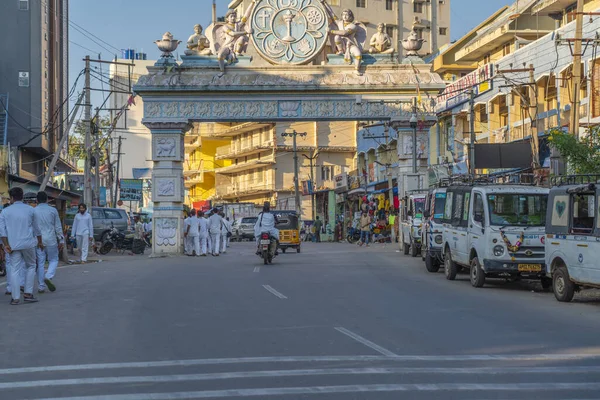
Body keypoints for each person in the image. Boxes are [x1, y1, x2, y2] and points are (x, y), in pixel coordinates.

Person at [0, 187, 43, 305]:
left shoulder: (5, 211)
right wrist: (40, 241)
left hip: (13, 244)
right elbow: (37, 229)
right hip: (28, 243)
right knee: (31, 266)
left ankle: (15, 298)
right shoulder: (30, 210)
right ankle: (28, 293)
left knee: (14, 269)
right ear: (22, 196)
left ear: (12, 198)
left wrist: (6, 245)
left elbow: (2, 231)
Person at [34, 191, 64, 293]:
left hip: (38, 240)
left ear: (37, 200)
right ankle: (48, 276)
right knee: (54, 259)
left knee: (40, 263)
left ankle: (41, 286)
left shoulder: (33, 211)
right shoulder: (53, 210)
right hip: (51, 239)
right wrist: (62, 240)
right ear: (47, 199)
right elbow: (58, 226)